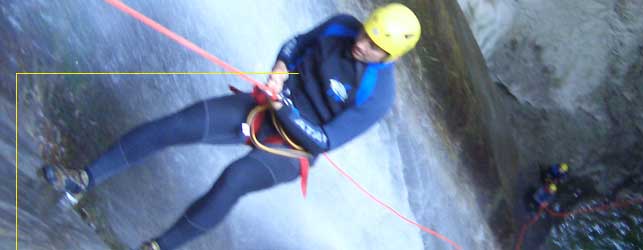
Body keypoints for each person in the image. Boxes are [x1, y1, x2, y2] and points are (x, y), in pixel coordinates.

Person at [40, 3, 421, 249]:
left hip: (292, 149)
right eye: (365, 34)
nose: (362, 44)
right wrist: (278, 72)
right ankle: (82, 179)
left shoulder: (378, 93)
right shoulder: (341, 27)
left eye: (374, 46)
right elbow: (295, 46)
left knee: (234, 179)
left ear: (390, 55)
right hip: (265, 107)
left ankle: (159, 247)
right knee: (178, 125)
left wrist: (284, 109)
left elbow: (325, 140)